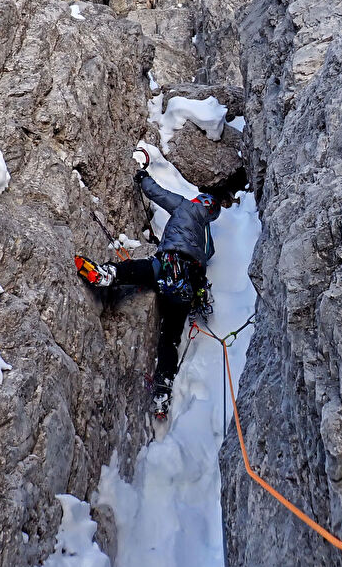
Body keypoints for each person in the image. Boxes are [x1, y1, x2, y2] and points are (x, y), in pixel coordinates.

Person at [76, 157, 234, 419]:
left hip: (171, 262)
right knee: (170, 337)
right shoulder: (208, 241)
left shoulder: (186, 208)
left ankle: (108, 275)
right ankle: (163, 389)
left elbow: (159, 194)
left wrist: (142, 179)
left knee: (146, 269)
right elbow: (205, 258)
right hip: (189, 283)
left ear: (201, 203)